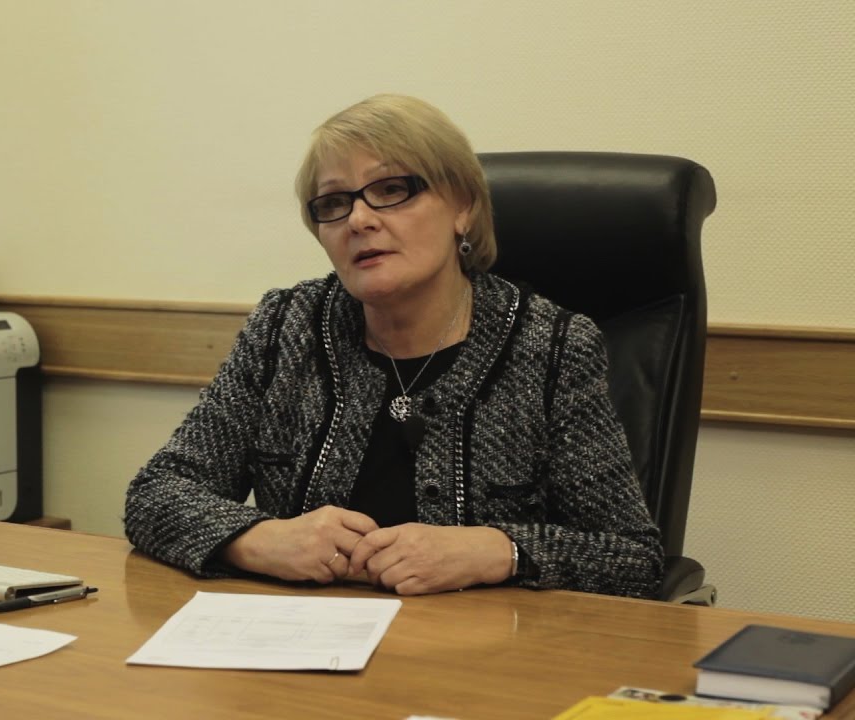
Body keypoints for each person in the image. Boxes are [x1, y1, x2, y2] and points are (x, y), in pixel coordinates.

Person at [123, 94, 663, 599]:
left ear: (463, 207)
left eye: (391, 190)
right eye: (334, 203)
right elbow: (156, 494)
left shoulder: (552, 347)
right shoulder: (285, 327)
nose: (359, 219)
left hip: (479, 655)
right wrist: (260, 538)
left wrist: (500, 550)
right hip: (305, 648)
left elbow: (632, 558)